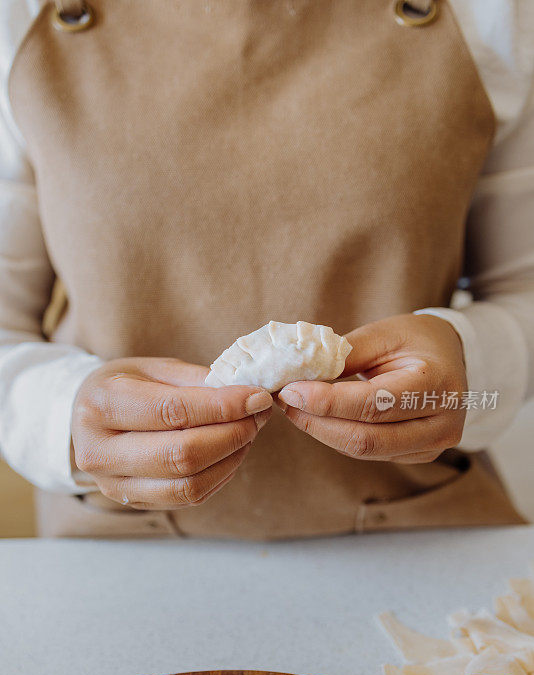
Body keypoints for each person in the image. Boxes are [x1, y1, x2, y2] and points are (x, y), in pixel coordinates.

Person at [0, 0, 532, 538]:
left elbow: (525, 288)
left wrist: (474, 362)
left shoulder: (490, 14)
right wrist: (62, 415)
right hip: (114, 552)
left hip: (428, 540)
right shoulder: (20, 18)